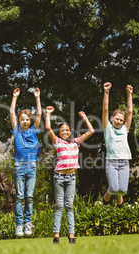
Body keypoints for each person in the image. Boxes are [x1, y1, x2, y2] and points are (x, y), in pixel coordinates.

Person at [45, 106, 94, 244]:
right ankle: (56, 235)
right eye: (62, 131)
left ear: (70, 131)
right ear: (59, 133)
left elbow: (91, 131)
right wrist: (48, 114)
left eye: (67, 130)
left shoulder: (76, 142)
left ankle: (71, 236)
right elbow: (48, 129)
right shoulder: (57, 142)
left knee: (69, 205)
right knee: (59, 205)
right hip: (59, 177)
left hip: (71, 177)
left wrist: (84, 118)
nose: (65, 132)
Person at [9, 87, 42, 236]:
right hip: (19, 166)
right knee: (20, 196)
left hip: (32, 167)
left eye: (27, 119)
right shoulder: (16, 131)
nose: (25, 121)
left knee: (29, 196)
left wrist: (37, 97)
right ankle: (19, 224)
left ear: (30, 121)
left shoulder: (33, 130)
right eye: (22, 119)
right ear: (19, 121)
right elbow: (11, 113)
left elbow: (39, 114)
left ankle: (27, 223)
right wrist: (15, 97)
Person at [101, 82, 133, 208]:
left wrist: (129, 94)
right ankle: (106, 200)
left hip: (124, 161)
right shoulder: (107, 128)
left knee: (123, 190)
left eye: (121, 119)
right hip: (112, 162)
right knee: (114, 188)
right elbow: (105, 109)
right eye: (117, 118)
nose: (119, 121)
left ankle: (119, 198)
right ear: (112, 118)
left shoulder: (125, 129)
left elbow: (129, 112)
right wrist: (106, 92)